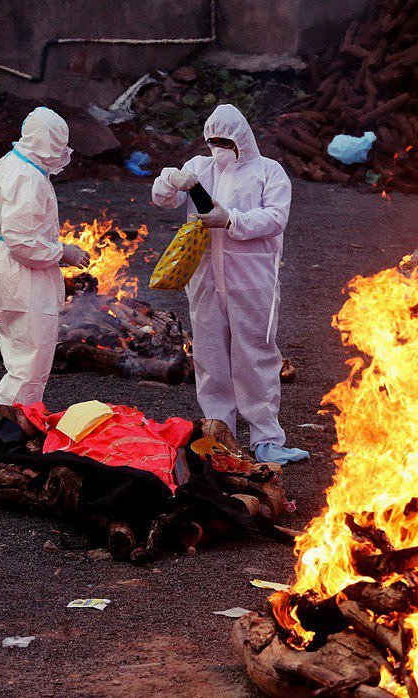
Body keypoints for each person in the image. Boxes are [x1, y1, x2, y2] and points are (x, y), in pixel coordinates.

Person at [151, 104, 308, 465]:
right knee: (209, 357)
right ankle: (218, 434)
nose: (220, 147)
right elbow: (162, 199)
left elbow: (274, 218)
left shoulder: (269, 172)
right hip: (205, 279)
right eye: (213, 141)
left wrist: (231, 219)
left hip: (252, 280)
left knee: (255, 356)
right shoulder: (199, 167)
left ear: (242, 137)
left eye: (226, 140)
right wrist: (169, 178)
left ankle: (266, 438)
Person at [0, 106, 90, 406]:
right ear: (50, 141)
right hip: (25, 277)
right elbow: (23, 241)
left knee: (19, 358)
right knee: (30, 364)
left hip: (6, 268)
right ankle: (9, 437)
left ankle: (9, 432)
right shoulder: (28, 177)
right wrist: (63, 252)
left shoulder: (7, 164)